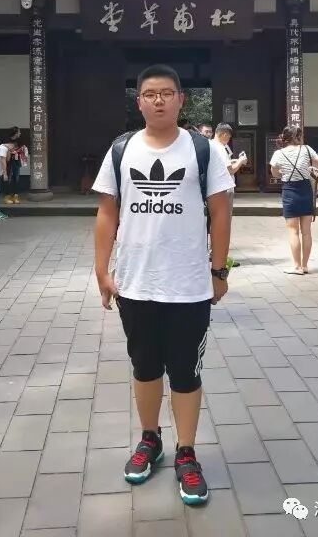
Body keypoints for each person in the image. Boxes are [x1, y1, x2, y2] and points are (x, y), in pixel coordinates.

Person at [92, 64, 233, 506]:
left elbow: (221, 211)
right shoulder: (121, 149)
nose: (158, 100)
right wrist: (101, 270)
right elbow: (107, 213)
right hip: (136, 284)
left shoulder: (202, 150)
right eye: (150, 94)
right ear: (138, 102)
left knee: (186, 371)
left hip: (188, 285)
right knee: (145, 366)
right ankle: (150, 439)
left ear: (180, 100)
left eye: (167, 93)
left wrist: (219, 271)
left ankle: (186, 453)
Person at [270, 125, 318, 275]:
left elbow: (274, 173)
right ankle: (305, 266)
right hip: (306, 191)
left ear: (285, 138)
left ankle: (296, 267)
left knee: (293, 232)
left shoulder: (279, 153)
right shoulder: (307, 149)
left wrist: (283, 173)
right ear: (298, 137)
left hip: (289, 191)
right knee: (306, 232)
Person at [213, 123, 247, 266]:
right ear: (224, 134)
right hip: (225, 189)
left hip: (215, 189)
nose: (228, 140)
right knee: (224, 224)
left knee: (216, 222)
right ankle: (222, 257)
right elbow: (230, 170)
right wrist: (240, 161)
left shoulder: (211, 145)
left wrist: (233, 161)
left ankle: (214, 253)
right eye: (228, 137)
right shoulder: (221, 148)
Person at [5, 129, 29, 204]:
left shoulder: (20, 140)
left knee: (16, 178)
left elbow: (22, 148)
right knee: (8, 179)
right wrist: (11, 151)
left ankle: (15, 197)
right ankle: (8, 196)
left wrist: (20, 151)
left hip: (16, 161)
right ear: (15, 133)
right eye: (19, 132)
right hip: (8, 161)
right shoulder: (7, 140)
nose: (20, 133)